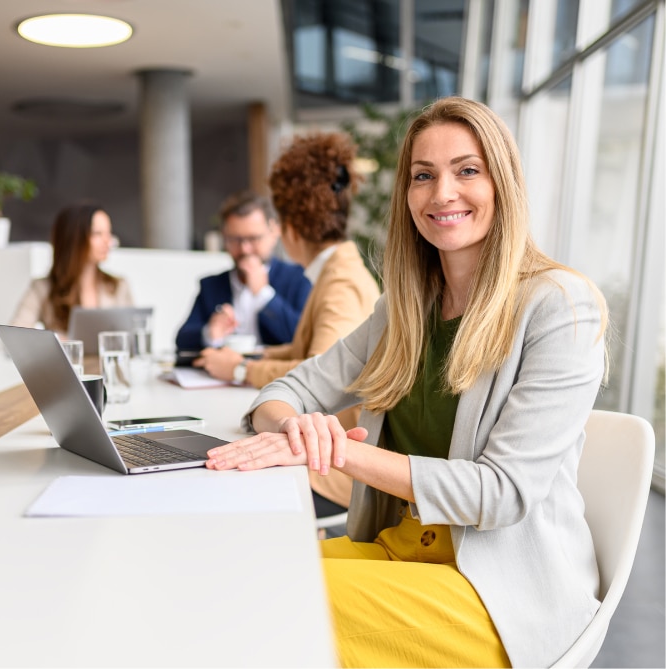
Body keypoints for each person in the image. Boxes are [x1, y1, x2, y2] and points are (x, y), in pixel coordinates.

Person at [203, 97, 609, 668]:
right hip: (403, 551)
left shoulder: (559, 307)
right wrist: (300, 429)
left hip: (497, 591)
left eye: (467, 170)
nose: (442, 192)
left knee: (266, 600)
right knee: (232, 571)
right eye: (424, 176)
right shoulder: (404, 310)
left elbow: (501, 493)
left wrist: (339, 453)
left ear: (503, 183)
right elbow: (280, 395)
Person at [196, 132, 381, 517]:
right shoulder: (335, 271)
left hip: (332, 470)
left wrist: (242, 368)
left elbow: (320, 369)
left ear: (289, 229)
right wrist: (257, 355)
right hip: (321, 453)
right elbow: (312, 353)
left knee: (216, 484)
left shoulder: (341, 285)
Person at [175, 191, 311, 351]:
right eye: (235, 240)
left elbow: (303, 340)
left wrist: (263, 295)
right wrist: (210, 332)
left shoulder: (298, 279)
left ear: (274, 233)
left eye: (254, 238)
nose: (245, 249)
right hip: (218, 374)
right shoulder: (212, 285)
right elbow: (182, 339)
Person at [10, 201, 133, 337]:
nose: (107, 241)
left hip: (107, 359)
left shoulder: (118, 286)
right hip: (65, 359)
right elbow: (15, 337)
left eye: (108, 233)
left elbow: (133, 339)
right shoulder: (42, 288)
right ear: (74, 238)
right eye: (97, 233)